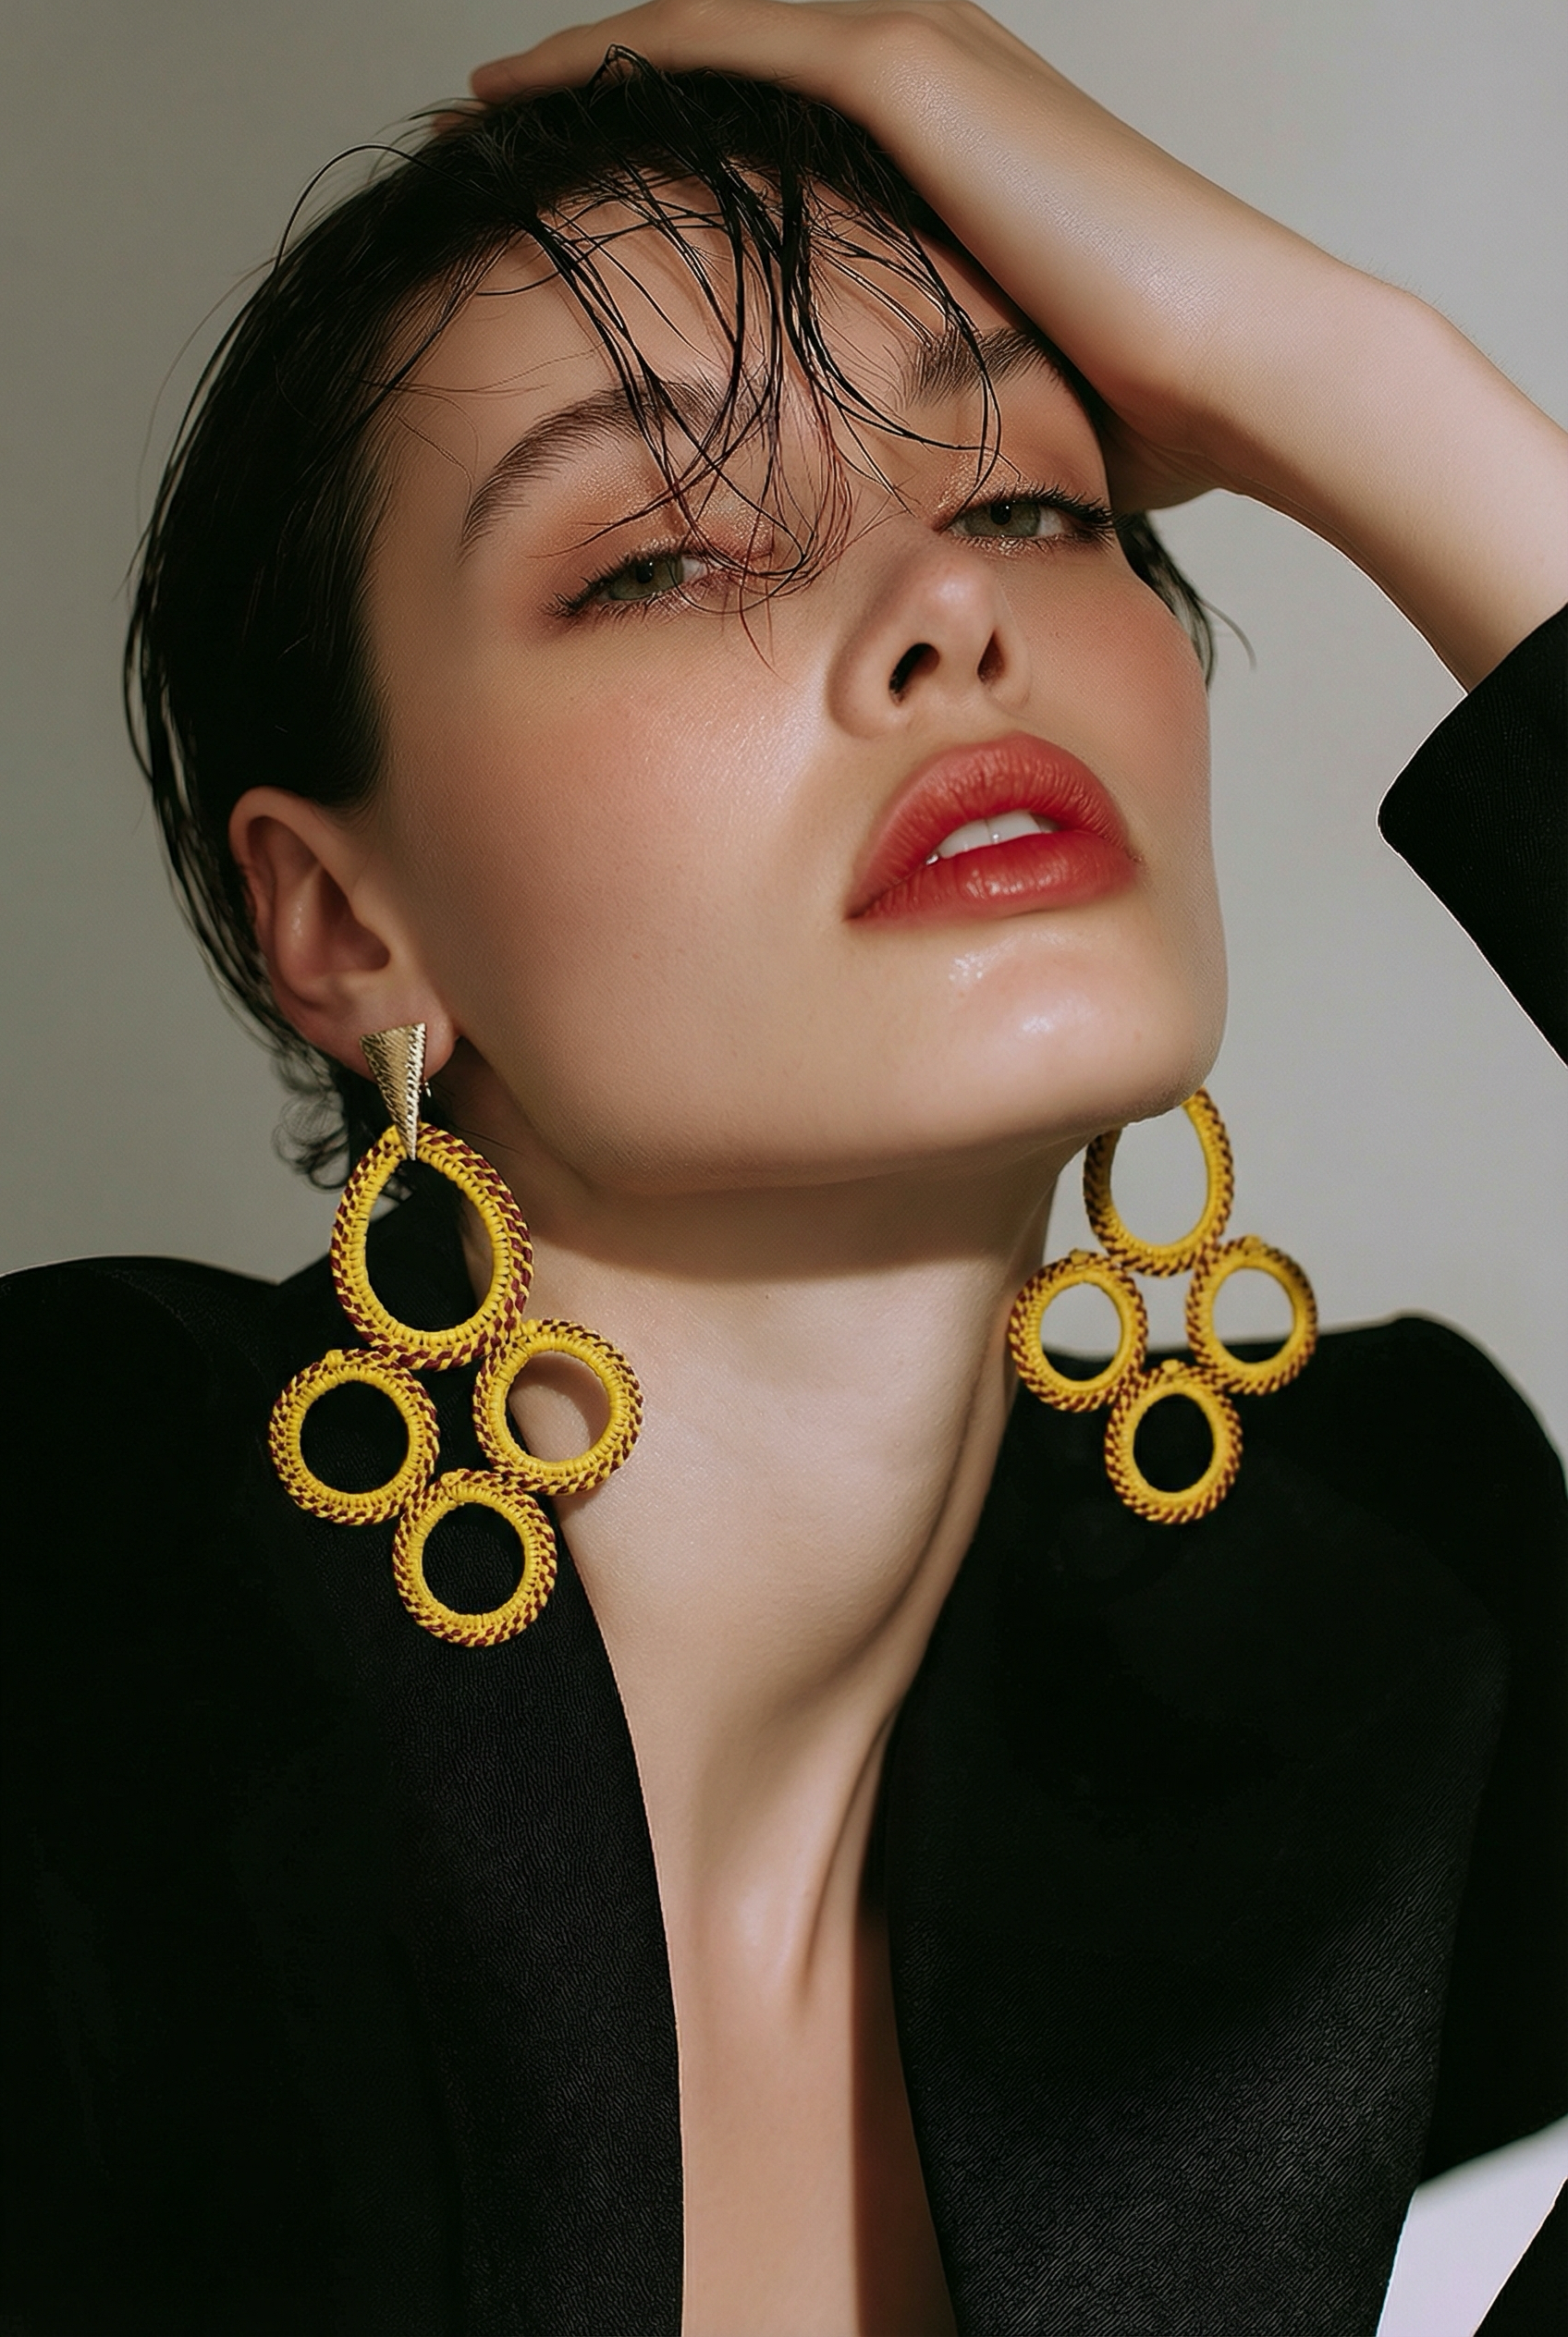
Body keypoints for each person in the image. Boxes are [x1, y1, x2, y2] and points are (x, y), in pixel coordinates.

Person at [3, 6, 1564, 2330]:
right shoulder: (79, 1585)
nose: (950, 610)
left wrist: (1351, 375)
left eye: (1029, 503)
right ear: (340, 920)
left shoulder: (1376, 1642)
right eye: (660, 559)